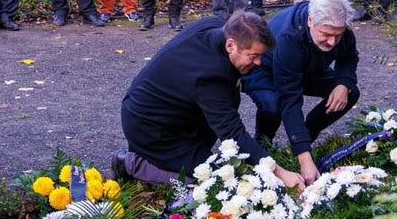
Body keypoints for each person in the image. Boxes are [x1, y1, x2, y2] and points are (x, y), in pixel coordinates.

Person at [112, 12, 305, 191]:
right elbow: (232, 133)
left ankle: (190, 153)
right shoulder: (210, 77)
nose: (259, 63)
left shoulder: (216, 26)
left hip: (174, 113)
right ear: (231, 45)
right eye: (253, 56)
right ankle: (131, 164)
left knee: (222, 162)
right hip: (150, 128)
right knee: (213, 182)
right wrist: (280, 172)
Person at [241, 0, 360, 186]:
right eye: (326, 35)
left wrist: (343, 82)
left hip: (306, 69)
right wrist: (304, 160)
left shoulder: (340, 29)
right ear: (311, 21)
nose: (332, 42)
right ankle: (263, 147)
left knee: (350, 92)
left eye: (337, 36)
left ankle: (306, 135)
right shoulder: (288, 38)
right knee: (274, 107)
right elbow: (290, 98)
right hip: (265, 69)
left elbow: (348, 57)